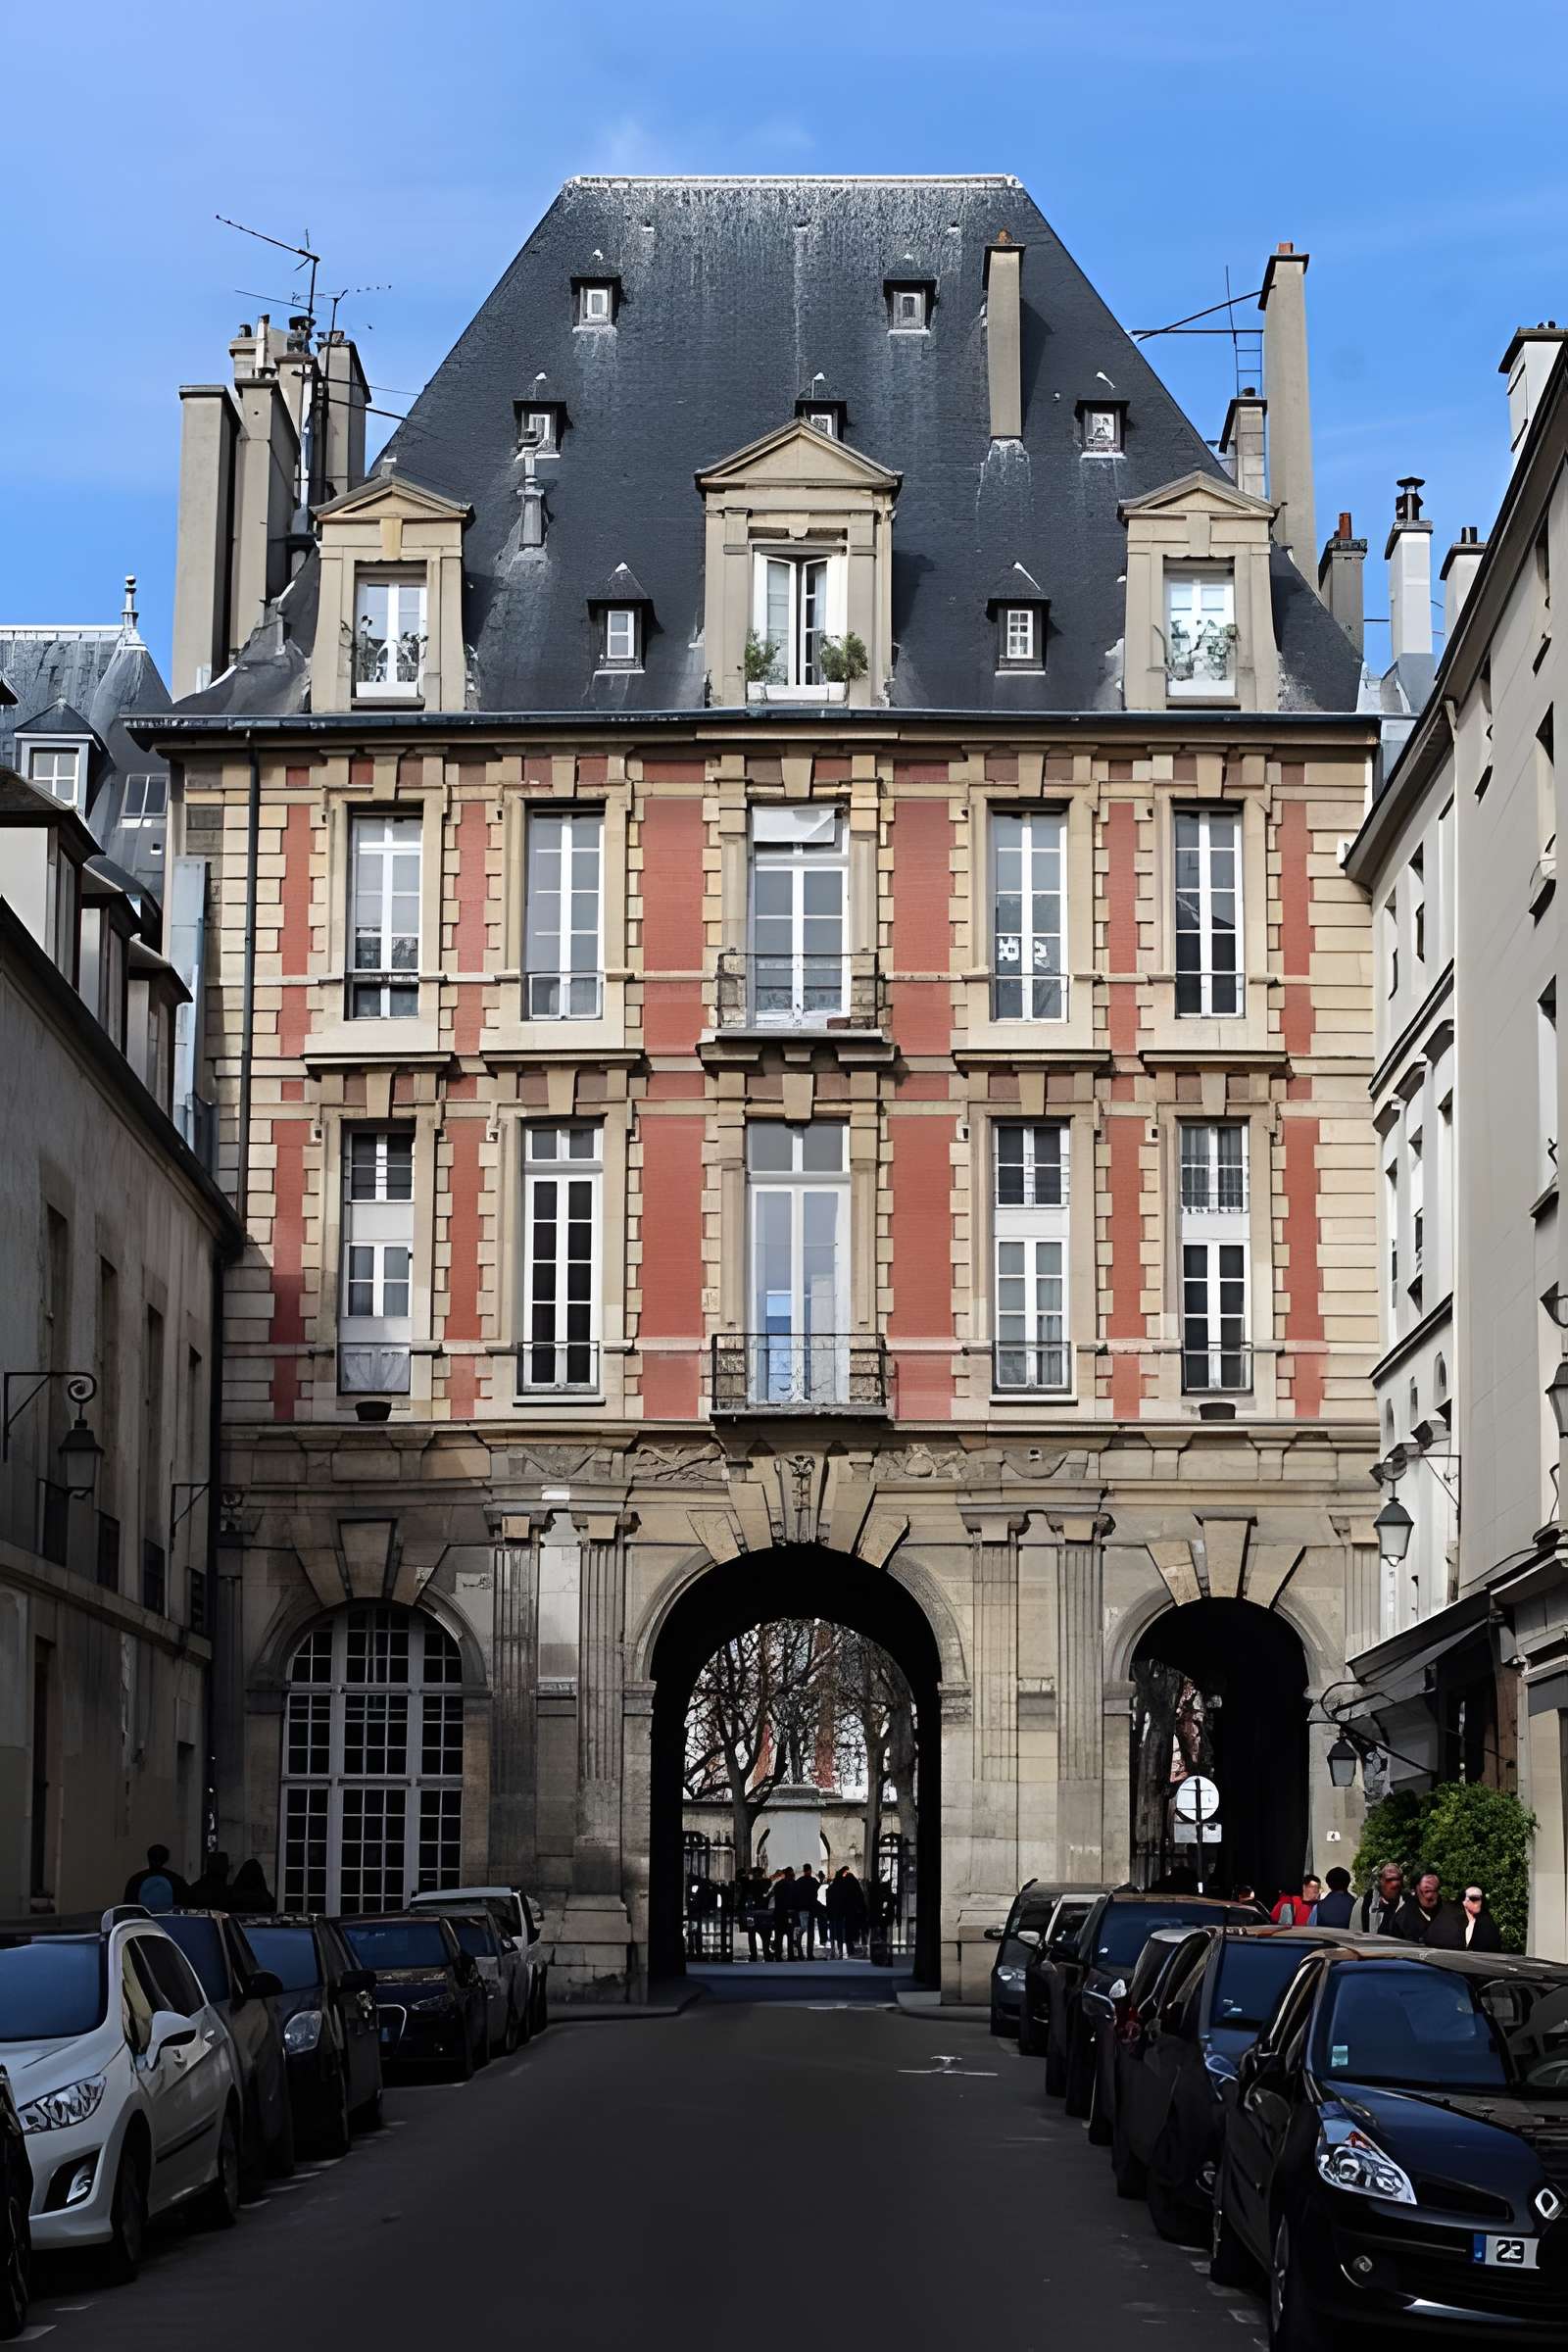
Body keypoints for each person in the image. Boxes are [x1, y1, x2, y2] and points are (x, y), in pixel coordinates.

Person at [1427, 1883, 1504, 1952]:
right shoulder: (1449, 1917)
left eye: (1481, 1898)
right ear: (1464, 1901)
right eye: (1474, 1898)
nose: (1479, 1902)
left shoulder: (1487, 1922)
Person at [122, 1843, 188, 1913]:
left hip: (142, 1921)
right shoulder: (177, 1880)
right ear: (166, 1859)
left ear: (148, 1857)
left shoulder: (135, 1879)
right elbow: (184, 1907)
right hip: (170, 1921)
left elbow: (128, 1908)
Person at [1394, 1868, 1451, 1944]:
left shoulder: (1449, 1914)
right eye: (1427, 1891)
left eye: (1436, 1890)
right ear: (1414, 1891)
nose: (1433, 1896)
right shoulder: (1402, 1920)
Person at [1356, 1862, 1404, 1935]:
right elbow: (1354, 1934)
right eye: (1389, 1880)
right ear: (1381, 1881)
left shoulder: (1407, 1905)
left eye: (1396, 1879)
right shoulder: (1365, 1903)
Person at [771, 1867, 800, 1959]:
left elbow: (774, 1896)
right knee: (790, 1935)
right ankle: (790, 1955)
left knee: (779, 1935)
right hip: (789, 1913)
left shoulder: (779, 1884)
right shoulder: (794, 1884)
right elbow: (795, 1898)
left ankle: (778, 1955)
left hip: (779, 1912)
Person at [794, 1865, 820, 1956]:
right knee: (810, 1932)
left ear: (803, 1871)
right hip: (811, 1909)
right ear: (810, 1870)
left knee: (803, 1928)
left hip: (802, 1909)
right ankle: (810, 1954)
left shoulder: (799, 1881)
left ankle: (798, 1944)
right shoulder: (813, 1881)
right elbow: (818, 1886)